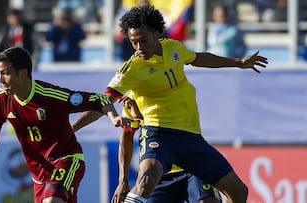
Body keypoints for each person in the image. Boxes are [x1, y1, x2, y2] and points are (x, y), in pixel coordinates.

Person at [73, 4, 268, 203]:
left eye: (143, 41)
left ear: (157, 33)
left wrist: (238, 62)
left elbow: (199, 58)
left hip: (191, 138)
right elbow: (103, 102)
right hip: (159, 134)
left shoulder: (174, 48)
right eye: (133, 43)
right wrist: (72, 129)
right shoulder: (131, 70)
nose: (139, 48)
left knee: (238, 191)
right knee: (146, 178)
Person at [0, 47, 127, 203]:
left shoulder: (50, 96)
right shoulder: (0, 98)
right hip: (38, 174)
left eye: (5, 73)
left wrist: (113, 117)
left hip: (66, 159)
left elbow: (100, 100)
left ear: (23, 73)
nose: (0, 80)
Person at [112, 93, 221, 203]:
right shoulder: (133, 96)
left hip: (192, 167)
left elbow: (167, 124)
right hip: (160, 174)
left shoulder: (176, 86)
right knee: (140, 192)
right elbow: (127, 135)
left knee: (209, 201)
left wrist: (141, 116)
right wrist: (123, 181)